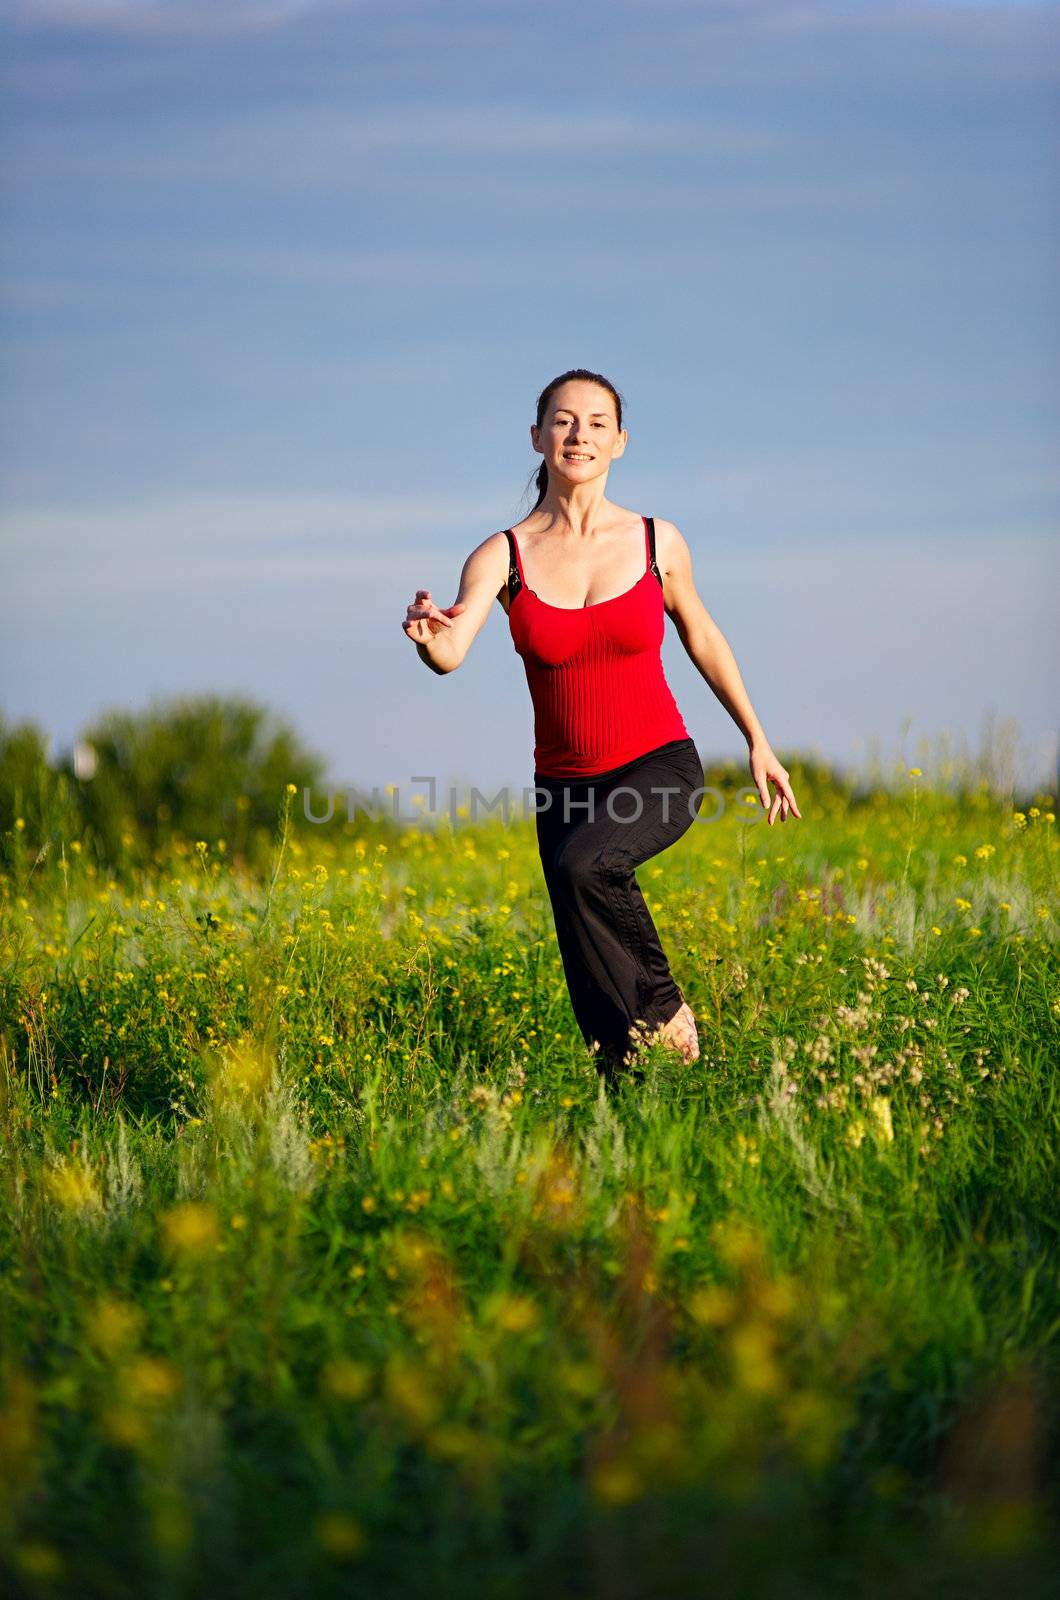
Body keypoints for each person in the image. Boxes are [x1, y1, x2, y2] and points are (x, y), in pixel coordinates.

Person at [402, 367, 800, 1083]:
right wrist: (433, 642)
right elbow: (452, 649)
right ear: (536, 437)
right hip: (562, 792)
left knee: (585, 867)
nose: (577, 433)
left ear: (620, 441)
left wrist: (757, 739)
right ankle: (634, 1118)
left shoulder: (656, 541)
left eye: (594, 422)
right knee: (590, 988)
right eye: (561, 420)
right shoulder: (503, 555)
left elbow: (703, 637)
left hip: (658, 765)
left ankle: (668, 1008)